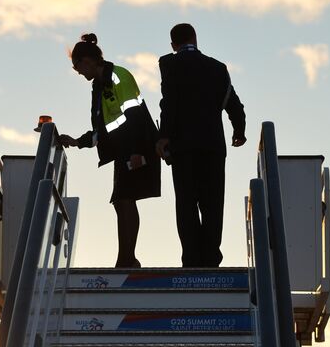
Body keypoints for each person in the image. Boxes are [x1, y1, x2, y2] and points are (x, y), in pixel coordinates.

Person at [59, 33, 161, 268]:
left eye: (78, 67)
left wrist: (137, 152)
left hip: (139, 148)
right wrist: (76, 141)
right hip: (123, 151)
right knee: (121, 201)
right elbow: (102, 130)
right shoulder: (98, 86)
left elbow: (134, 115)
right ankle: (126, 258)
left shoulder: (119, 76)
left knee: (124, 199)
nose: (79, 73)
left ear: (88, 61)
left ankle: (126, 259)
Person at [156, 23, 247, 268]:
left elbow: (170, 103)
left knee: (186, 203)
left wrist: (164, 136)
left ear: (173, 44)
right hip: (212, 146)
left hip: (183, 147)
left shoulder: (171, 65)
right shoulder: (217, 68)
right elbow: (233, 104)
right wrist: (239, 130)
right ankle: (211, 258)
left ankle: (191, 260)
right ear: (195, 39)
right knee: (213, 204)